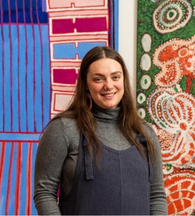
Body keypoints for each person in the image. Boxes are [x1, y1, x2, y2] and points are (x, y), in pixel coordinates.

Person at [33, 46, 168, 215]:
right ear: (86, 85)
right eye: (98, 79)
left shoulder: (145, 133)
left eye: (115, 77)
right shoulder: (63, 129)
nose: (108, 85)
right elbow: (44, 193)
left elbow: (156, 196)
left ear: (123, 80)